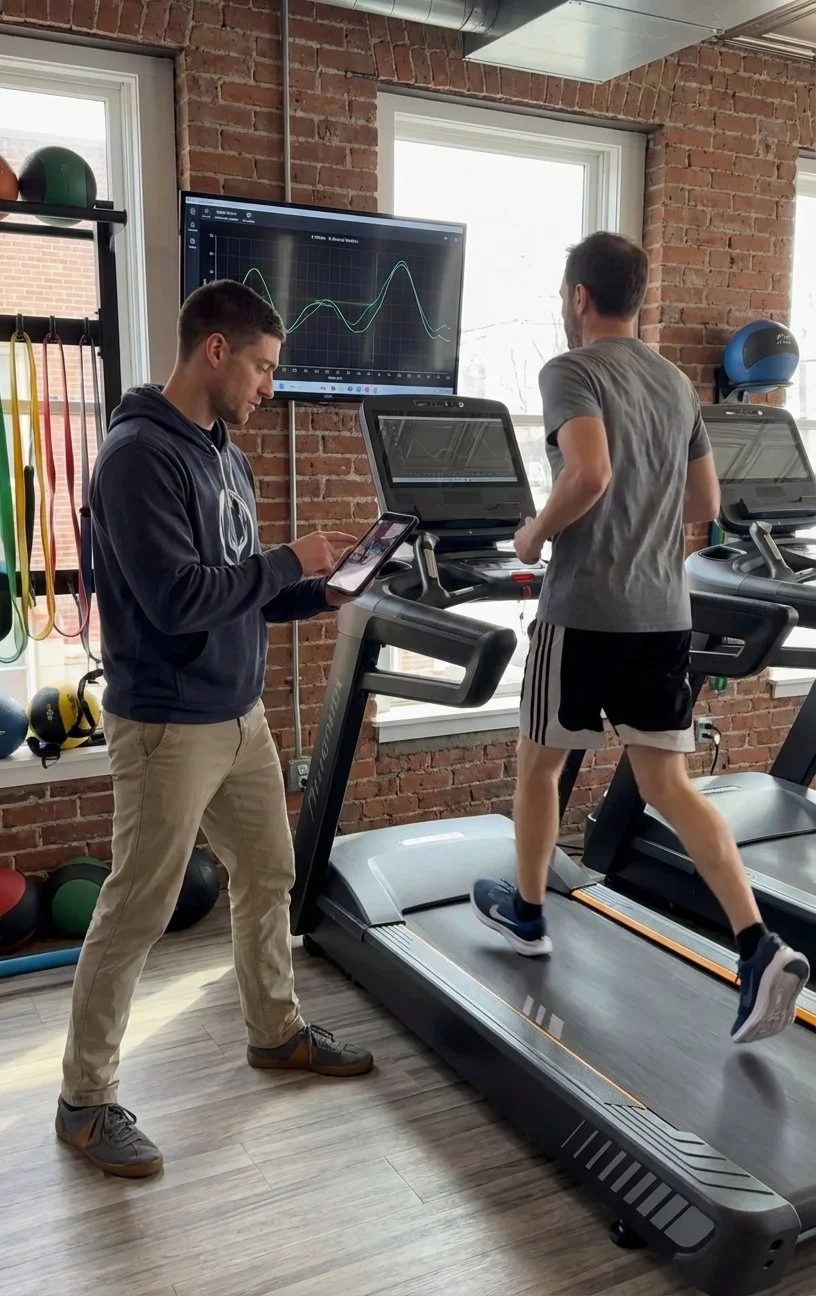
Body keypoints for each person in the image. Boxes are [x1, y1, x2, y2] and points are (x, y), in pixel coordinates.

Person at [56, 279, 373, 1180]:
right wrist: (287, 560)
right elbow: (175, 599)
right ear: (216, 352)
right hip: (167, 725)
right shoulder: (135, 458)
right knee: (136, 909)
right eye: (265, 368)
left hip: (240, 717)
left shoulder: (223, 453)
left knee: (270, 871)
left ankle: (275, 1034)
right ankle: (83, 1100)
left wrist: (325, 588)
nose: (269, 387)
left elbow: (242, 587)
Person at [470, 231, 810, 1045]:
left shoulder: (571, 371)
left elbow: (588, 473)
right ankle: (757, 944)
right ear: (638, 296)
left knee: (541, 766)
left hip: (584, 612)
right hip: (665, 616)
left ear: (579, 297)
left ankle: (526, 914)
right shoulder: (672, 382)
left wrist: (530, 537)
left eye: (564, 295)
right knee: (669, 787)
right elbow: (703, 502)